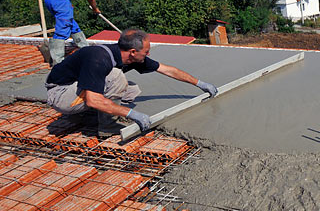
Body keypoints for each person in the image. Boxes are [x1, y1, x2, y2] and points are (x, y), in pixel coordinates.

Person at [44, 28, 218, 138]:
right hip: (60, 94)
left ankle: (90, 117)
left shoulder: (132, 57)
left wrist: (200, 83)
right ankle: (106, 126)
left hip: (77, 89)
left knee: (131, 90)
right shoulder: (98, 59)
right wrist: (132, 115)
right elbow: (92, 100)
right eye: (146, 51)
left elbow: (167, 69)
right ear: (133, 52)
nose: (148, 55)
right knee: (116, 77)